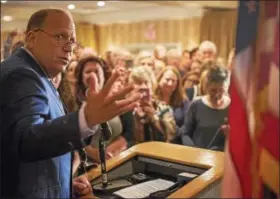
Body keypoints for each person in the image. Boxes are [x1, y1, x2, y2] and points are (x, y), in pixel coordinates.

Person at [0, 8, 140, 198]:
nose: (69, 47)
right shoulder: (22, 74)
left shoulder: (38, 75)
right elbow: (26, 141)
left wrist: (65, 182)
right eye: (60, 37)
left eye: (72, 40)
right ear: (32, 38)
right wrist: (86, 120)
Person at [181, 65, 230, 151]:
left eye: (221, 90)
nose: (217, 95)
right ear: (207, 87)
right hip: (198, 157)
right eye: (213, 90)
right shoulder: (196, 105)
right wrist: (194, 150)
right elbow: (185, 134)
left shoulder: (231, 106)